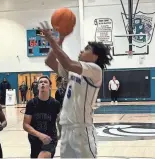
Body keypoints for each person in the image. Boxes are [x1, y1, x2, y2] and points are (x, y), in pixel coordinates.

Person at [40, 21, 112, 158]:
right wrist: (60, 39)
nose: (81, 51)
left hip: (82, 131)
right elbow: (49, 61)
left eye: (86, 49)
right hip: (66, 129)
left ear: (95, 56)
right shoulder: (73, 71)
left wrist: (52, 40)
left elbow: (67, 62)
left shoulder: (96, 70)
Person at [23, 76, 61, 158]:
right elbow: (25, 125)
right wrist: (40, 135)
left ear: (50, 87)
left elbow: (59, 120)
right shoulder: (31, 103)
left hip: (50, 139)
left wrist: (60, 133)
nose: (43, 83)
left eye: (45, 82)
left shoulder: (55, 104)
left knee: (42, 157)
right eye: (40, 82)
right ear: (38, 86)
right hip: (35, 139)